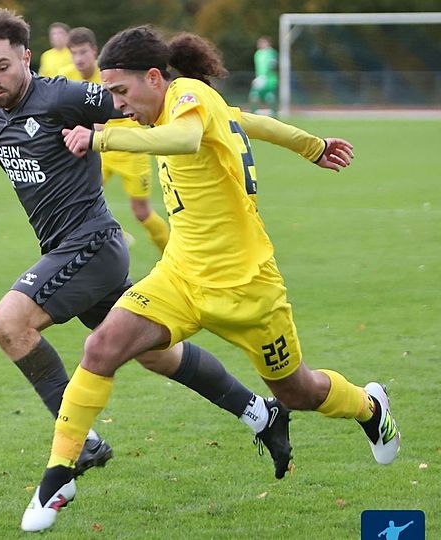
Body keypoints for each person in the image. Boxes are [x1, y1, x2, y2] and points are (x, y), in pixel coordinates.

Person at [0, 8, 295, 497]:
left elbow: (139, 106)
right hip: (72, 255)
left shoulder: (66, 96)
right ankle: (261, 413)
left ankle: (82, 442)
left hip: (92, 244)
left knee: (8, 324)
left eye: (2, 67)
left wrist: (192, 114)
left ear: (26, 58)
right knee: (157, 354)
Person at [21, 25, 400, 532]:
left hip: (248, 288)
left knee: (298, 392)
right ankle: (58, 476)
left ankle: (368, 406)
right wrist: (312, 145)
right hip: (180, 277)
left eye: (120, 91)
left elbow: (187, 138)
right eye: (110, 94)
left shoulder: (189, 96)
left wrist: (102, 136)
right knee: (101, 347)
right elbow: (252, 123)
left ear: (155, 78)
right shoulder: (177, 106)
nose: (115, 102)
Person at [57, 27, 168, 253]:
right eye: (74, 53)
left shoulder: (110, 74)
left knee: (141, 211)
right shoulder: (65, 77)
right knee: (78, 202)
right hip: (99, 150)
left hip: (130, 148)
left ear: (94, 51)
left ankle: (171, 252)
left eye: (83, 52)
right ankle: (113, 236)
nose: (79, 58)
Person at [249, 36, 278, 117]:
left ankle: (274, 114)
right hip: (259, 79)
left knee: (270, 97)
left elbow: (272, 66)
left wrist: (265, 76)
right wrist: (258, 78)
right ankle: (253, 114)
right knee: (254, 96)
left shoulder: (271, 53)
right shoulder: (257, 54)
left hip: (269, 79)